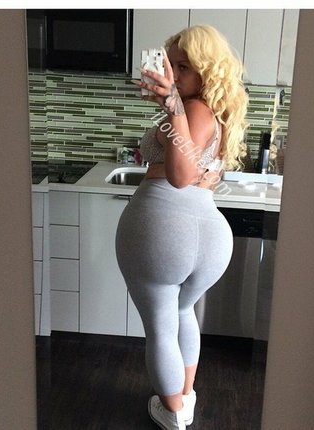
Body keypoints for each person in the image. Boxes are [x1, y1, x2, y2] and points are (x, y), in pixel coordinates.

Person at [115, 25, 248, 430]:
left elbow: (180, 176)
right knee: (182, 311)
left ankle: (172, 413)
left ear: (207, 70)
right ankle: (184, 399)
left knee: (161, 326)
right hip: (208, 235)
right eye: (170, 63)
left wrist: (172, 105)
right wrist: (169, 103)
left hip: (164, 228)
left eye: (184, 66)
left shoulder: (193, 109)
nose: (173, 72)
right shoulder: (215, 114)